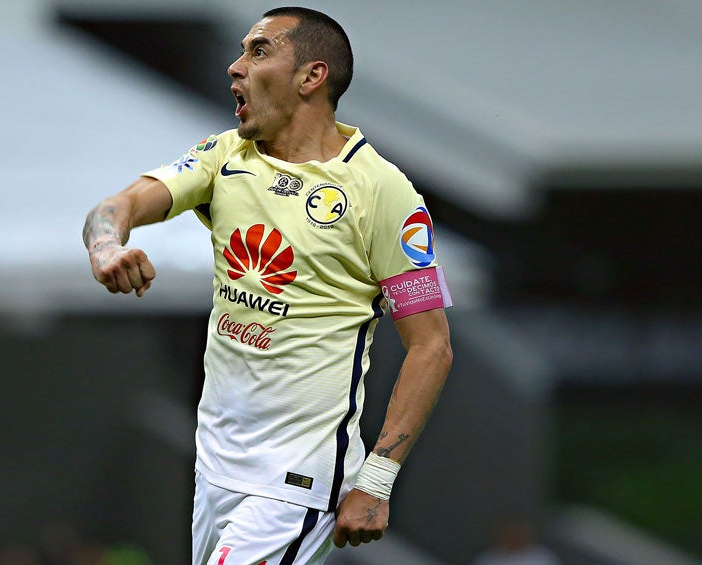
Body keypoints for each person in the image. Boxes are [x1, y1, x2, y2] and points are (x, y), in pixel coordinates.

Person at [83, 7, 453, 564]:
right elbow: (117, 206)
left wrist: (377, 480)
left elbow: (431, 345)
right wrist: (106, 247)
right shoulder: (223, 158)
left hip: (295, 482)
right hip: (215, 468)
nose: (236, 67)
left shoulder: (382, 190)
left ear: (311, 76)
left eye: (259, 52)